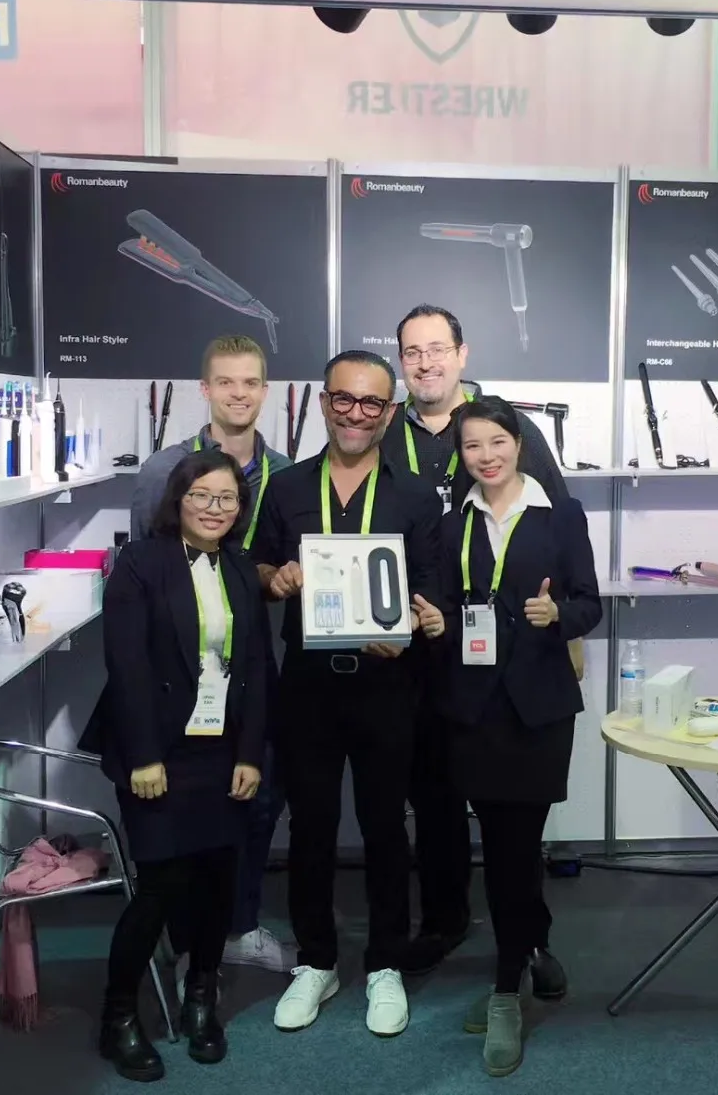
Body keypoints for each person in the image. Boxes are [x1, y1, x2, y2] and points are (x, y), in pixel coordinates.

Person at [252, 350, 443, 1038]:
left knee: (386, 824)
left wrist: (416, 625)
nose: (356, 413)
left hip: (388, 684)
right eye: (344, 399)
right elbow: (256, 563)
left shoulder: (414, 496)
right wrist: (274, 579)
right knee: (310, 825)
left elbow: (432, 587)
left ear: (389, 412)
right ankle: (318, 960)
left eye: (371, 402)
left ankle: (385, 962)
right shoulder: (285, 487)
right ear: (323, 402)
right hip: (308, 685)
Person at [382, 304, 571, 989]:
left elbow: (555, 532)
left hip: (500, 656)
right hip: (415, 647)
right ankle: (444, 919)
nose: (425, 362)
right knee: (432, 795)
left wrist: (562, 629)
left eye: (437, 348)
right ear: (401, 361)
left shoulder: (505, 428)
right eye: (412, 352)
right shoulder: (383, 431)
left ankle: (530, 938)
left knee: (511, 812)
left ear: (462, 354)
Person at [81, 449, 268, 1083]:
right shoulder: (140, 564)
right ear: (178, 500)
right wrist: (144, 756)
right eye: (202, 496)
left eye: (227, 498)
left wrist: (251, 754)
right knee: (160, 887)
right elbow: (127, 666)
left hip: (221, 750)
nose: (215, 509)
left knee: (218, 880)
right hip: (158, 752)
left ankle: (200, 999)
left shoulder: (239, 567)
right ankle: (118, 1017)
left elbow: (256, 670)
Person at [437, 396, 602, 1076]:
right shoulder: (453, 523)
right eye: (472, 445)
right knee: (509, 849)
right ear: (461, 454)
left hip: (538, 710)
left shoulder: (560, 514)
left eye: (497, 441)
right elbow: (446, 604)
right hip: (475, 711)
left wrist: (557, 613)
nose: (486, 456)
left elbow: (590, 604)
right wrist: (435, 620)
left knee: (513, 847)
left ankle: (506, 990)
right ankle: (532, 951)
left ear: (518, 443)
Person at [131, 334, 293, 980]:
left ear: (265, 390)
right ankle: (185, 942)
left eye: (250, 382)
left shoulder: (285, 473)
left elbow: (280, 561)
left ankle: (239, 927)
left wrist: (278, 577)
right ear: (205, 389)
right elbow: (144, 569)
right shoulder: (163, 470)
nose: (238, 394)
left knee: (257, 797)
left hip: (250, 663)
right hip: (179, 672)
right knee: (182, 809)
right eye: (225, 382)